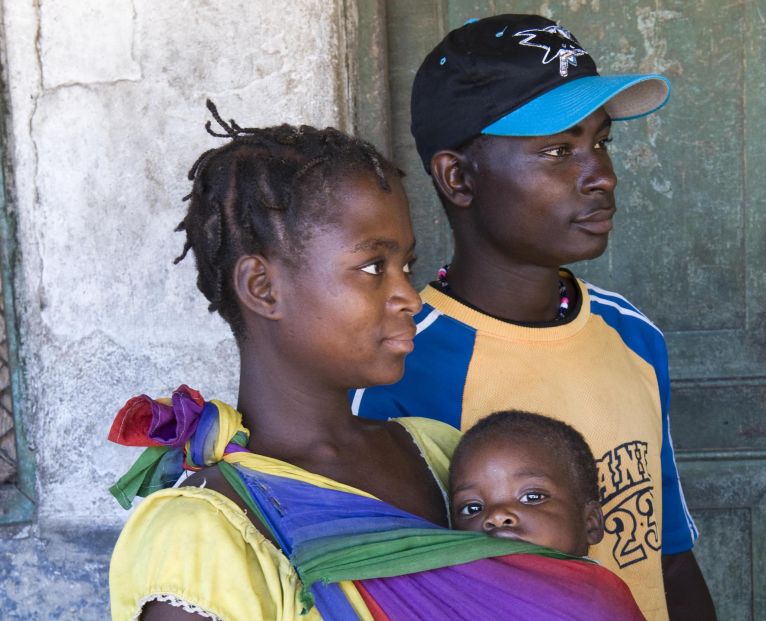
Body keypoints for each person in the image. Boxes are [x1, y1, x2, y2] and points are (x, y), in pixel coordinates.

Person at [107, 101, 647, 621]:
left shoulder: (439, 454)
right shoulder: (201, 533)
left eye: (406, 265)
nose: (408, 296)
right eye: (372, 268)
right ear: (263, 287)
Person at [352, 13, 716, 621]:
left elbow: (667, 557)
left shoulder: (632, 335)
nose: (601, 175)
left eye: (600, 141)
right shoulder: (398, 366)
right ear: (458, 177)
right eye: (557, 150)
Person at [449, 410, 604, 558]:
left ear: (590, 524)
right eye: (472, 508)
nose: (497, 516)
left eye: (532, 497)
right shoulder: (447, 584)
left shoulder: (605, 586)